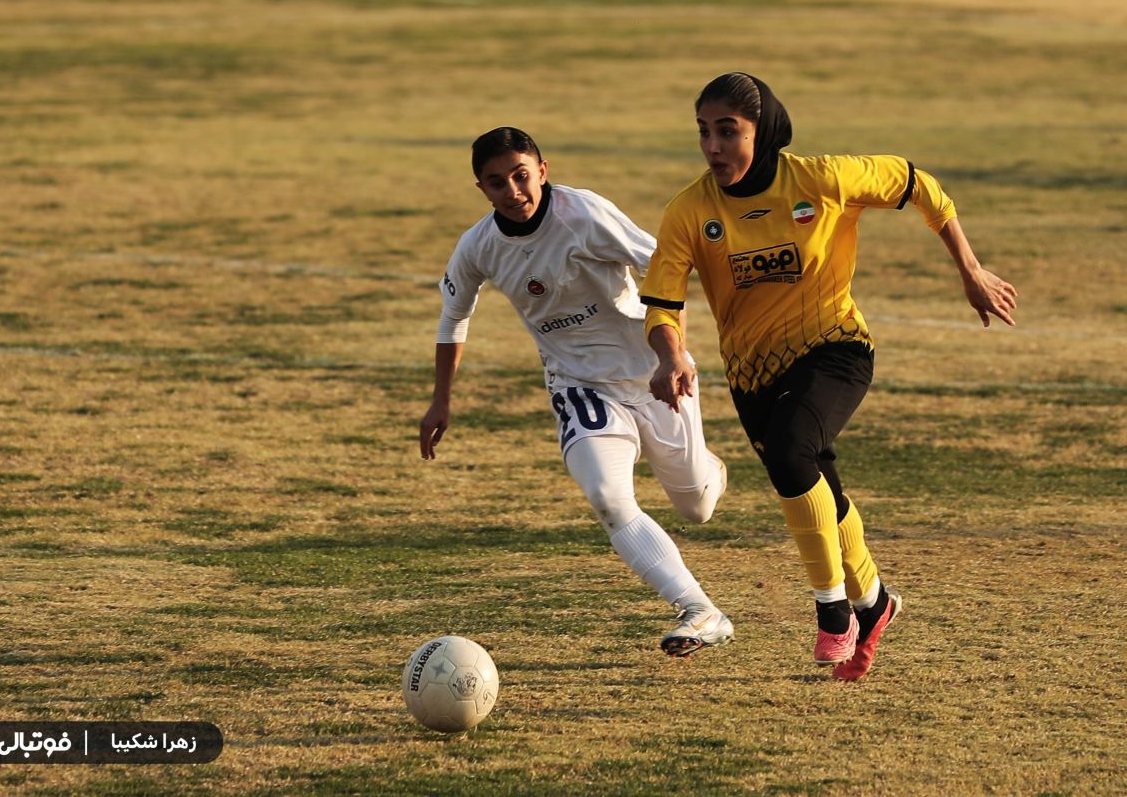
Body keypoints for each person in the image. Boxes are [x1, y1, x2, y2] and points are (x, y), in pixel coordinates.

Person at [641, 73, 1018, 680]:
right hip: (752, 374)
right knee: (817, 485)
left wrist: (969, 268)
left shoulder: (820, 179)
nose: (713, 146)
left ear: (762, 133)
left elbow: (918, 183)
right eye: (704, 132)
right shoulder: (689, 210)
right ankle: (875, 601)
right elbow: (662, 302)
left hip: (835, 347)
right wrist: (671, 353)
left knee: (793, 453)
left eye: (727, 131)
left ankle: (834, 610)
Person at [420, 126, 734, 657]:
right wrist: (441, 399)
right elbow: (454, 319)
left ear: (542, 171)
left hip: (652, 373)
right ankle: (700, 609)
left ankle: (707, 467)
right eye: (497, 183)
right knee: (609, 498)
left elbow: (665, 266)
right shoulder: (477, 246)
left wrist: (672, 352)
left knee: (697, 506)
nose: (513, 192)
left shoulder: (584, 214)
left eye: (522, 176)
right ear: (482, 189)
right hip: (579, 386)